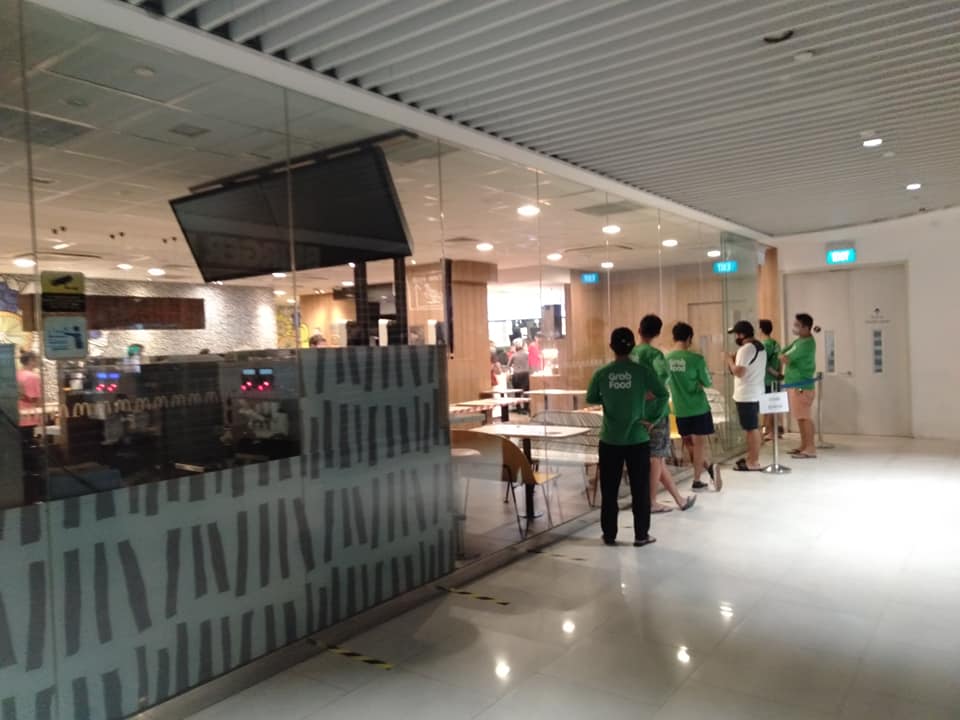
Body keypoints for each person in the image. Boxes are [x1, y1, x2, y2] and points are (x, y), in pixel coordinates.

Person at [586, 327, 668, 547]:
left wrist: (611, 397)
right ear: (632, 347)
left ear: (611, 347)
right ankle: (641, 535)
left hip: (610, 439)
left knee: (609, 489)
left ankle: (609, 534)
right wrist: (652, 417)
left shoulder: (602, 373)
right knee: (640, 489)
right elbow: (663, 393)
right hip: (637, 438)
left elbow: (592, 397)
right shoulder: (642, 372)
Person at [631, 314, 695, 513]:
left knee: (656, 458)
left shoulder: (631, 353)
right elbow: (663, 377)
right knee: (656, 458)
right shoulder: (654, 354)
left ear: (639, 329)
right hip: (655, 414)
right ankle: (651, 502)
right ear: (658, 333)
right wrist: (651, 390)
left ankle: (679, 500)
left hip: (636, 412)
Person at [666, 322, 721, 491]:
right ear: (689, 338)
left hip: (679, 408)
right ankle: (698, 478)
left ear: (674, 337)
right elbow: (707, 381)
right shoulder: (696, 359)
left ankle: (706, 469)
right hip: (698, 407)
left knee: (688, 442)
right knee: (699, 445)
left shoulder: (666, 359)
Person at [725, 321, 767, 471]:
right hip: (756, 392)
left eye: (736, 334)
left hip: (746, 394)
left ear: (741, 335)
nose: (736, 337)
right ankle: (751, 458)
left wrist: (729, 360)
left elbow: (739, 372)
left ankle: (753, 462)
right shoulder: (760, 347)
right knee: (753, 427)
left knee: (751, 429)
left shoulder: (746, 349)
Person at [781, 313, 818, 458]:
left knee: (804, 417)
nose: (795, 328)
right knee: (800, 417)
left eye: (797, 325)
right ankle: (804, 445)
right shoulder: (799, 341)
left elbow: (786, 358)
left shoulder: (806, 344)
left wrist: (784, 358)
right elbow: (782, 352)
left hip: (801, 385)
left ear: (806, 327)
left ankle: (810, 448)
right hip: (795, 384)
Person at [17, 351, 43, 504]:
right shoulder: (32, 377)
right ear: (31, 360)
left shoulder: (17, 374)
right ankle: (33, 484)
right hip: (28, 418)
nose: (38, 362)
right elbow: (34, 399)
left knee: (20, 447)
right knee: (30, 450)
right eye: (36, 359)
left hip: (17, 416)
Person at [758, 319, 784, 440]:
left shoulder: (764, 344)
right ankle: (774, 431)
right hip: (776, 380)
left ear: (760, 329)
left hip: (768, 380)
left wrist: (774, 373)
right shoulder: (775, 343)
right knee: (774, 406)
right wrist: (779, 374)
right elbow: (780, 360)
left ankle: (770, 431)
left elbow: (764, 362)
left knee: (768, 407)